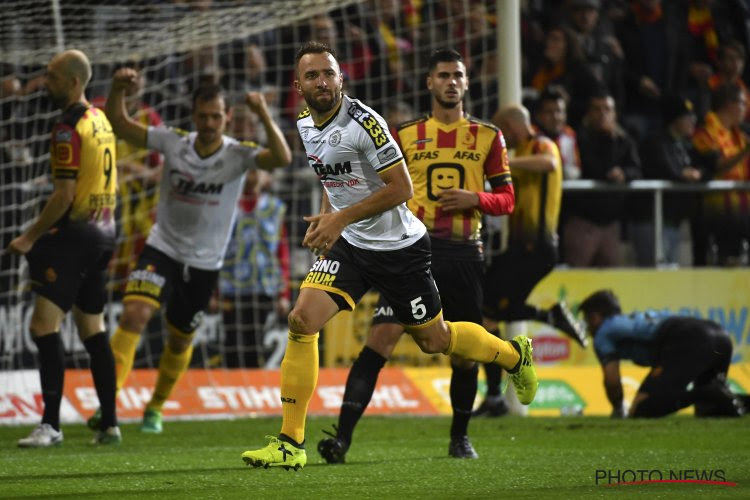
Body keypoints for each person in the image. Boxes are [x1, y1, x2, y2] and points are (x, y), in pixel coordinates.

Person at [240, 41, 537, 471]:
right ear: (298, 86)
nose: (322, 81)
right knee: (302, 320)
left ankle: (513, 355)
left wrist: (340, 220)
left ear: (342, 78)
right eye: (312, 76)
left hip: (401, 249)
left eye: (328, 73)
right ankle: (290, 442)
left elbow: (402, 189)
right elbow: (332, 178)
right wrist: (328, 220)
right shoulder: (305, 123)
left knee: (435, 341)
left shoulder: (367, 124)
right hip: (352, 247)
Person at [315, 48, 515, 463]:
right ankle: (341, 440)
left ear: (466, 82)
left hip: (463, 254)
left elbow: (508, 199)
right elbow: (360, 175)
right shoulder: (403, 133)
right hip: (409, 253)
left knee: (460, 354)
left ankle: (460, 437)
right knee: (379, 340)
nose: (451, 82)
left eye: (458, 75)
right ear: (429, 82)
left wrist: (475, 198)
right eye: (443, 75)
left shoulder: (488, 136)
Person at [92, 69, 292, 434]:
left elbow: (282, 157)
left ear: (227, 116)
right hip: (161, 248)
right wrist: (118, 88)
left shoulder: (238, 154)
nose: (210, 123)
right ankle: (109, 403)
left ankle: (155, 407)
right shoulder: (173, 142)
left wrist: (263, 113)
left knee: (180, 336)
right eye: (203, 116)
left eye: (217, 116)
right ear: (193, 116)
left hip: (204, 263)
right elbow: (120, 125)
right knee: (135, 314)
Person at [5, 50, 121, 446]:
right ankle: (109, 423)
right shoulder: (100, 119)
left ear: (74, 81)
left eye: (53, 76)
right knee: (92, 327)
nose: (45, 80)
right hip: (106, 232)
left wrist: (30, 236)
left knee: (42, 326)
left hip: (76, 235)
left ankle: (50, 425)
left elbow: (63, 194)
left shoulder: (67, 127)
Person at [472, 104, 587, 418]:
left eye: (503, 130)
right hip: (521, 246)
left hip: (537, 245)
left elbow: (549, 163)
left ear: (513, 125)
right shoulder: (522, 149)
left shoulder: (541, 144)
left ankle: (550, 317)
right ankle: (495, 396)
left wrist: (507, 163)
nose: (502, 138)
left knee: (489, 313)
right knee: (488, 315)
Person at [578, 289, 744, 418]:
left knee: (641, 409)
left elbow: (612, 380)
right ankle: (720, 394)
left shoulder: (604, 332)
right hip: (719, 336)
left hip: (687, 338)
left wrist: (618, 409)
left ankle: (709, 391)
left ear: (595, 317)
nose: (587, 325)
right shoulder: (630, 321)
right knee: (710, 410)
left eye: (587, 319)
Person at [219, 167, 291, 368]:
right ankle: (231, 389)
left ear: (264, 176)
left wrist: (283, 293)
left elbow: (282, 250)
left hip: (263, 286)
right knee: (231, 341)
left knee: (254, 343)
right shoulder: (225, 207)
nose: (251, 175)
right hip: (231, 287)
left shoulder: (275, 208)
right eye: (247, 170)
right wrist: (213, 292)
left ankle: (249, 387)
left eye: (255, 171)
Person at [562, 91, 641, 267]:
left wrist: (624, 174)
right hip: (583, 221)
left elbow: (636, 170)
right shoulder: (577, 140)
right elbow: (594, 168)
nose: (602, 113)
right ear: (589, 113)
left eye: (607, 109)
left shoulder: (624, 140)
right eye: (597, 109)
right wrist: (607, 139)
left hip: (611, 223)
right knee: (577, 276)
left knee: (608, 277)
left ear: (615, 113)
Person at [692, 83, 750, 265]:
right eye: (743, 103)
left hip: (742, 211)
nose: (745, 108)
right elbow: (717, 166)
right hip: (716, 214)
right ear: (729, 104)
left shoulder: (739, 136)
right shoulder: (705, 132)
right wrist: (745, 151)